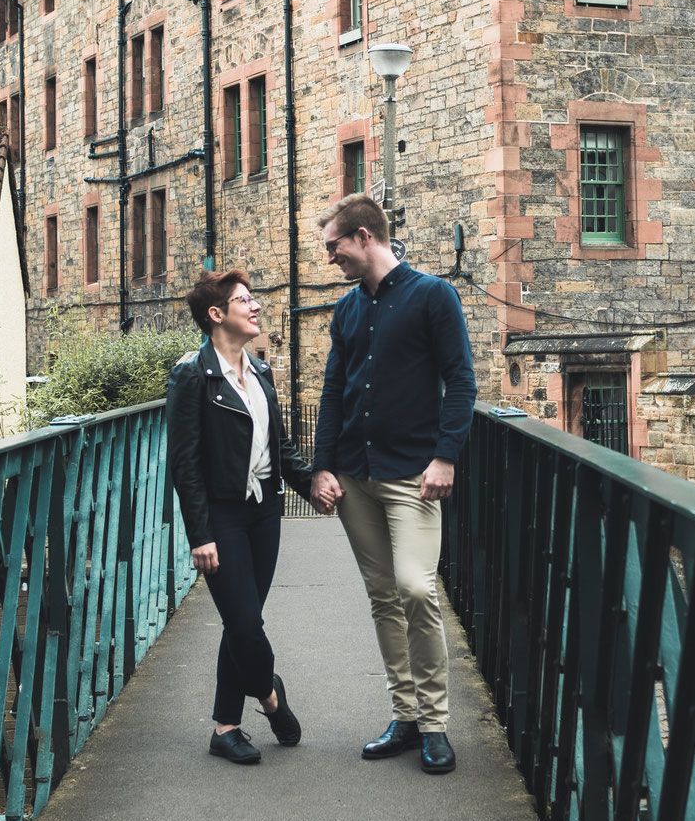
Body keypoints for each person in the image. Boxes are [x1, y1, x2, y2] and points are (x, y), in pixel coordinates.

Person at [310, 194, 476, 774]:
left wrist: (446, 456)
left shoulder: (434, 295)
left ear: (362, 236)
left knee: (416, 588)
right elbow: (334, 392)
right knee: (383, 596)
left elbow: (460, 381)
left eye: (334, 247)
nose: (330, 258)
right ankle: (404, 717)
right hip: (356, 477)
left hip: (414, 477)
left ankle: (434, 723)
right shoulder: (348, 310)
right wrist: (321, 469)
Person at [166, 269, 313, 764]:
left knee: (240, 623)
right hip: (223, 516)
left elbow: (280, 445)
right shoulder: (192, 374)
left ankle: (225, 728)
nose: (254, 307)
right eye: (244, 300)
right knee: (246, 623)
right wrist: (200, 534)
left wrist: (311, 485)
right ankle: (270, 696)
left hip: (264, 511)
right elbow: (184, 463)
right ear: (216, 314)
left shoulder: (262, 372)